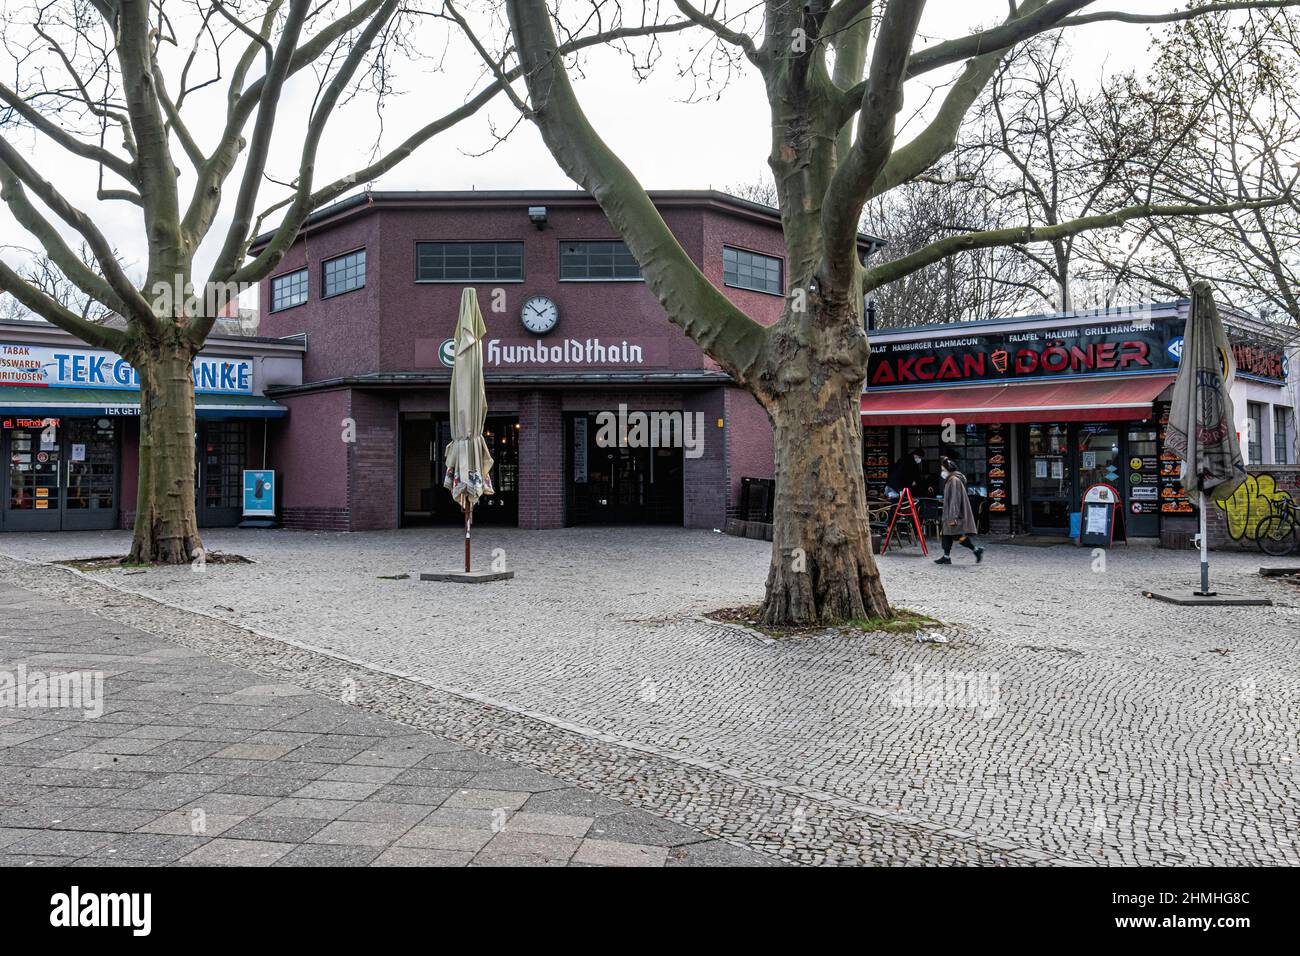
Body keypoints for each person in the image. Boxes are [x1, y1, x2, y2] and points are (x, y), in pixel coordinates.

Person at [935, 456, 984, 565]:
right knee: (947, 534)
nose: (942, 472)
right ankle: (946, 556)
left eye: (943, 470)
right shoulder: (951, 480)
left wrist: (953, 517)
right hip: (950, 513)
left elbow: (955, 500)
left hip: (954, 514)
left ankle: (976, 550)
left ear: (948, 470)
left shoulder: (954, 481)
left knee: (956, 535)